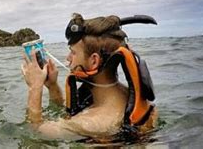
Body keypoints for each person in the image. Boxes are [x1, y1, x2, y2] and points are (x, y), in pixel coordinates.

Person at [21, 13, 158, 141]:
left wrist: (35, 87)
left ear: (94, 61)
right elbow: (62, 111)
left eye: (73, 53)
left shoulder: (91, 124)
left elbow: (35, 132)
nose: (68, 59)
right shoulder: (125, 96)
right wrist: (52, 86)